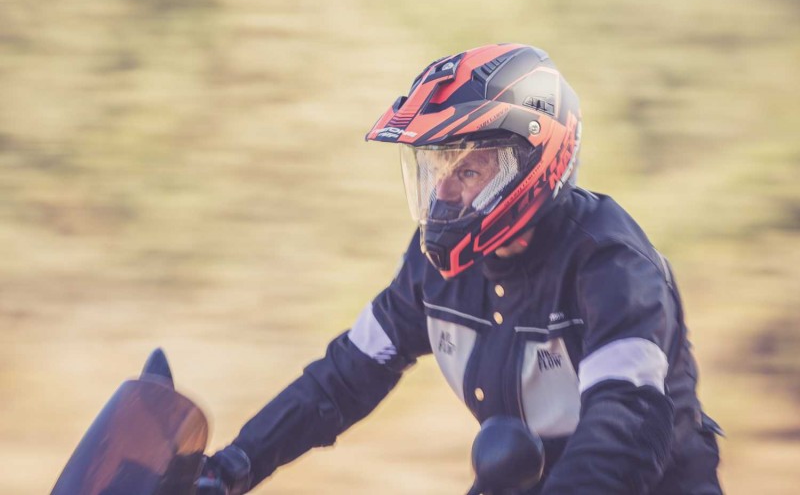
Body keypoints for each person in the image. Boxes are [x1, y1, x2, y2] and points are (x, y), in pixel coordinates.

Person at [200, 43, 723, 494]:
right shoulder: (438, 267)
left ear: (531, 162)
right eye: (435, 170)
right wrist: (233, 465)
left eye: (467, 169)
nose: (444, 193)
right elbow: (343, 379)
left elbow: (626, 425)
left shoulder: (612, 265)